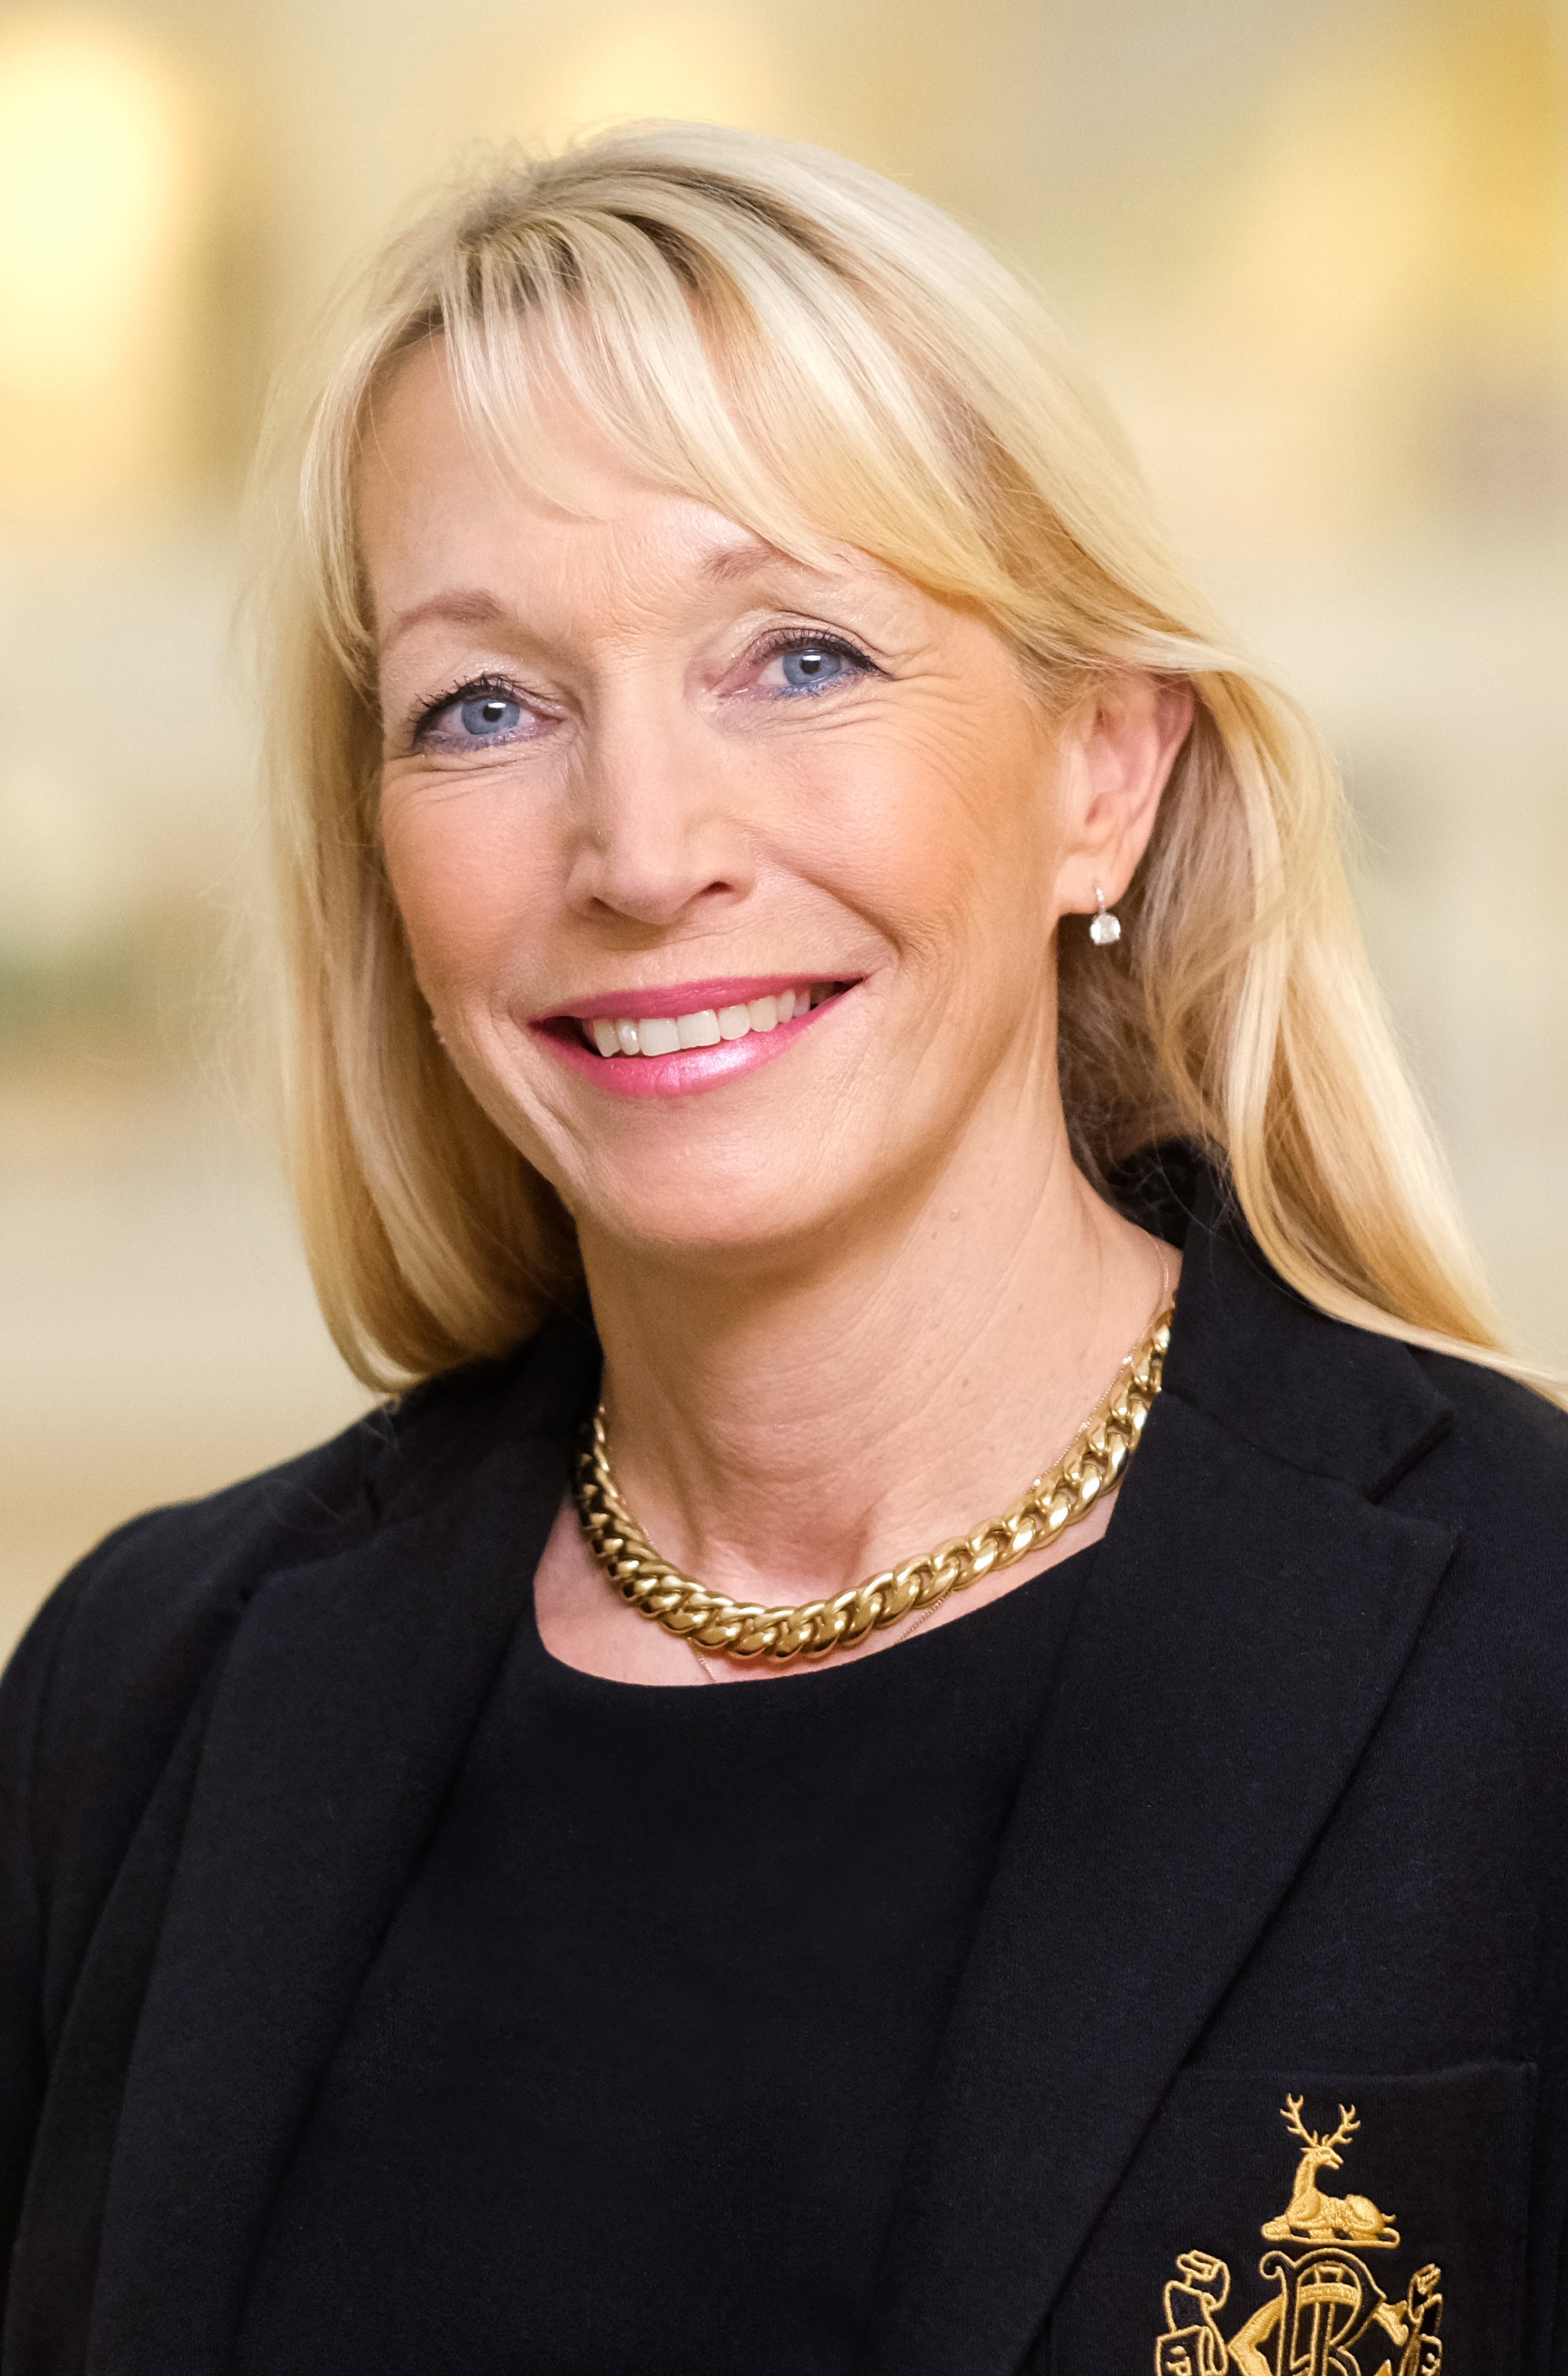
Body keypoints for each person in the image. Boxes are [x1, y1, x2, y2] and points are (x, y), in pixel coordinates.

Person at [2, 121, 1564, 2376]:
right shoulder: (141, 1696)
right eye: (485, 706)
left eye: (799, 658)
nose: (643, 850)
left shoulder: (1527, 1653)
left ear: (1102, 772)